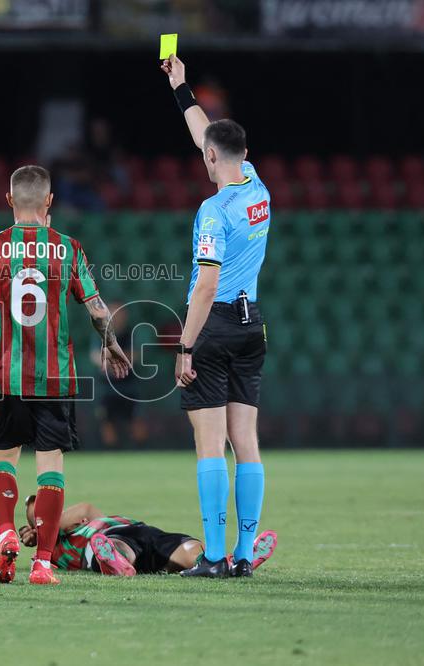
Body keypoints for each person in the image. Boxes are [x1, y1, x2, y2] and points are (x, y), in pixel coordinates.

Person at [0, 165, 132, 585]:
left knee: (3, 459)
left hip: (4, 374)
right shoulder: (67, 248)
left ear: (11, 201)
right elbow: (96, 309)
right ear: (49, 201)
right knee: (50, 467)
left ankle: (9, 534)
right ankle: (43, 564)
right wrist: (111, 345)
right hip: (54, 377)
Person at [161, 55, 271, 578]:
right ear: (243, 154)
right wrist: (181, 88)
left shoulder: (213, 210)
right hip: (253, 327)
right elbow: (211, 137)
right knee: (244, 442)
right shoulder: (256, 187)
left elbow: (205, 286)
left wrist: (185, 345)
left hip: (215, 325)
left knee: (209, 444)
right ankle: (244, 557)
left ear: (209, 158)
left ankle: (212, 555)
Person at [18, 495, 277, 576]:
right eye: (36, 516)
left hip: (136, 530)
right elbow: (39, 565)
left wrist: (42, 530)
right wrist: (39, 543)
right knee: (114, 547)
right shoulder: (51, 553)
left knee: (188, 551)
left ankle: (230, 563)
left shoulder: (82, 518)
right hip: (110, 542)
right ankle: (116, 563)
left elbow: (85, 509)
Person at [88, 303, 147, 447]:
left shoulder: (132, 333)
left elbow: (136, 355)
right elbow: (96, 357)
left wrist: (113, 358)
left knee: (136, 422)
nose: (117, 317)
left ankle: (141, 449)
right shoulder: (101, 333)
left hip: (129, 386)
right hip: (107, 387)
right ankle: (109, 451)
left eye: (120, 313)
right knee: (106, 423)